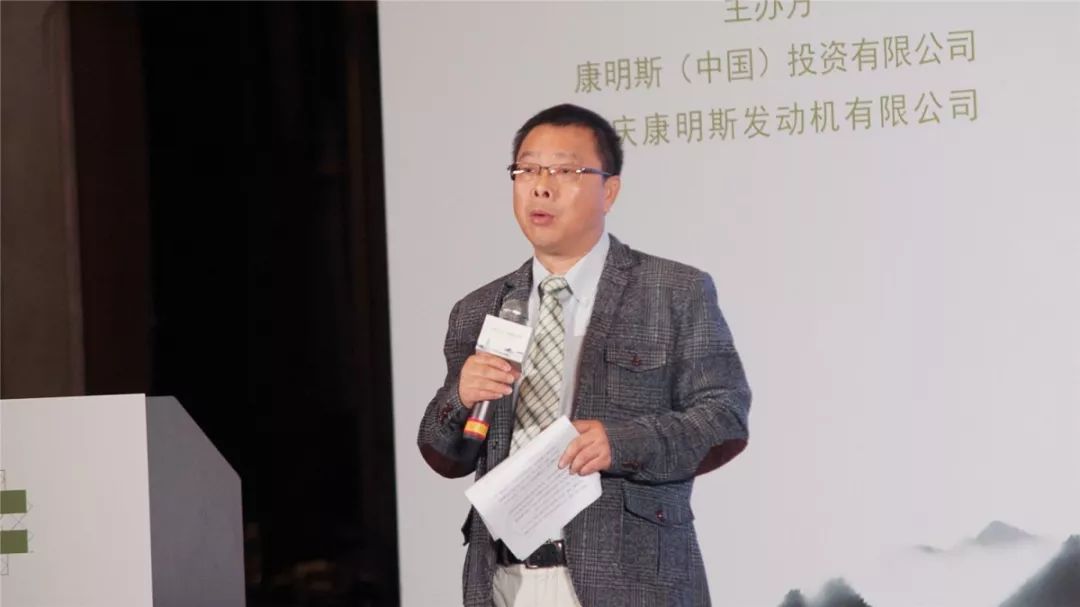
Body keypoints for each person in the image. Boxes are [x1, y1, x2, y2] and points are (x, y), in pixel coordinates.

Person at [417, 103, 751, 607]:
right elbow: (444, 454)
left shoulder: (673, 291)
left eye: (564, 172)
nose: (540, 187)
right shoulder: (480, 308)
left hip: (629, 585)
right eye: (527, 170)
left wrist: (622, 442)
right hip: (505, 582)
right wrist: (460, 396)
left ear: (608, 191)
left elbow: (724, 419)